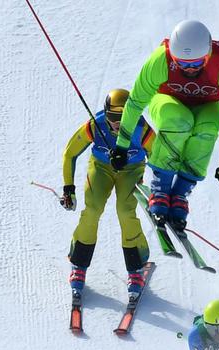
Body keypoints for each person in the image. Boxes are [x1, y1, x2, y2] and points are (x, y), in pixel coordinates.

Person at [109, 20, 219, 230]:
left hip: (206, 104)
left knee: (208, 127)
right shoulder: (160, 60)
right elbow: (136, 103)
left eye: (197, 63)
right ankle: (161, 188)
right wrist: (121, 146)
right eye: (182, 64)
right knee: (179, 121)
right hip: (166, 99)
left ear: (208, 54)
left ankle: (180, 193)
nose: (189, 69)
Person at [60, 88, 155, 303]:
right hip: (102, 167)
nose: (117, 123)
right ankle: (79, 264)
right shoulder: (96, 125)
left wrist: (161, 194)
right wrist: (68, 188)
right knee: (92, 209)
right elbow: (70, 153)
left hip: (131, 170)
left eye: (123, 117)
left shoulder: (141, 129)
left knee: (125, 210)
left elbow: (159, 158)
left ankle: (136, 267)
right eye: (112, 117)